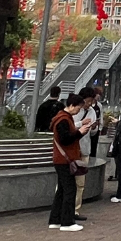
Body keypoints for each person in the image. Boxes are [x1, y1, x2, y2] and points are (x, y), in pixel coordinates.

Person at [49, 94, 93, 231]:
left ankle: (55, 219)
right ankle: (67, 222)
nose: (79, 111)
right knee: (70, 190)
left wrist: (79, 132)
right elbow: (65, 139)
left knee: (62, 190)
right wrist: (80, 132)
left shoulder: (62, 118)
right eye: (78, 108)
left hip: (62, 159)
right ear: (72, 106)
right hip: (64, 159)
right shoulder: (63, 120)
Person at [71, 87, 98, 220]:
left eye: (91, 101)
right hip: (72, 150)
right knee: (67, 181)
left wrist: (94, 128)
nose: (89, 104)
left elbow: (93, 132)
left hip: (84, 149)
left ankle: (75, 210)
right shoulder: (74, 109)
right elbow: (68, 126)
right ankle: (62, 208)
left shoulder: (92, 111)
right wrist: (81, 123)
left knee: (80, 182)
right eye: (88, 101)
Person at [89, 86, 104, 158]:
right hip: (87, 128)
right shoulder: (88, 104)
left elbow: (101, 116)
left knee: (94, 146)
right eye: (97, 94)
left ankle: (93, 158)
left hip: (95, 129)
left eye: (99, 94)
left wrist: (100, 128)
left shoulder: (99, 105)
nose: (98, 96)